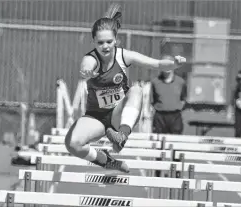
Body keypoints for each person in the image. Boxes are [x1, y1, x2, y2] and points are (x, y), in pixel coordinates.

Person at [64, 3, 186, 173]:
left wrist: (174, 63)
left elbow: (157, 64)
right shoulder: (92, 58)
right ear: (93, 42)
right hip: (97, 118)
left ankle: (122, 135)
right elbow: (87, 65)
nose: (105, 46)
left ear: (116, 40)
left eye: (109, 41)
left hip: (118, 115)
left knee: (136, 89)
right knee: (72, 144)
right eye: (100, 43)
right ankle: (106, 160)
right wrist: (87, 71)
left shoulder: (124, 56)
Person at [150, 55, 187, 177]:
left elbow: (183, 99)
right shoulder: (155, 82)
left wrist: (177, 107)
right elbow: (153, 100)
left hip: (175, 117)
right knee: (159, 146)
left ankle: (176, 172)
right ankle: (157, 173)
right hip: (160, 117)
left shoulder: (181, 82)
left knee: (176, 146)